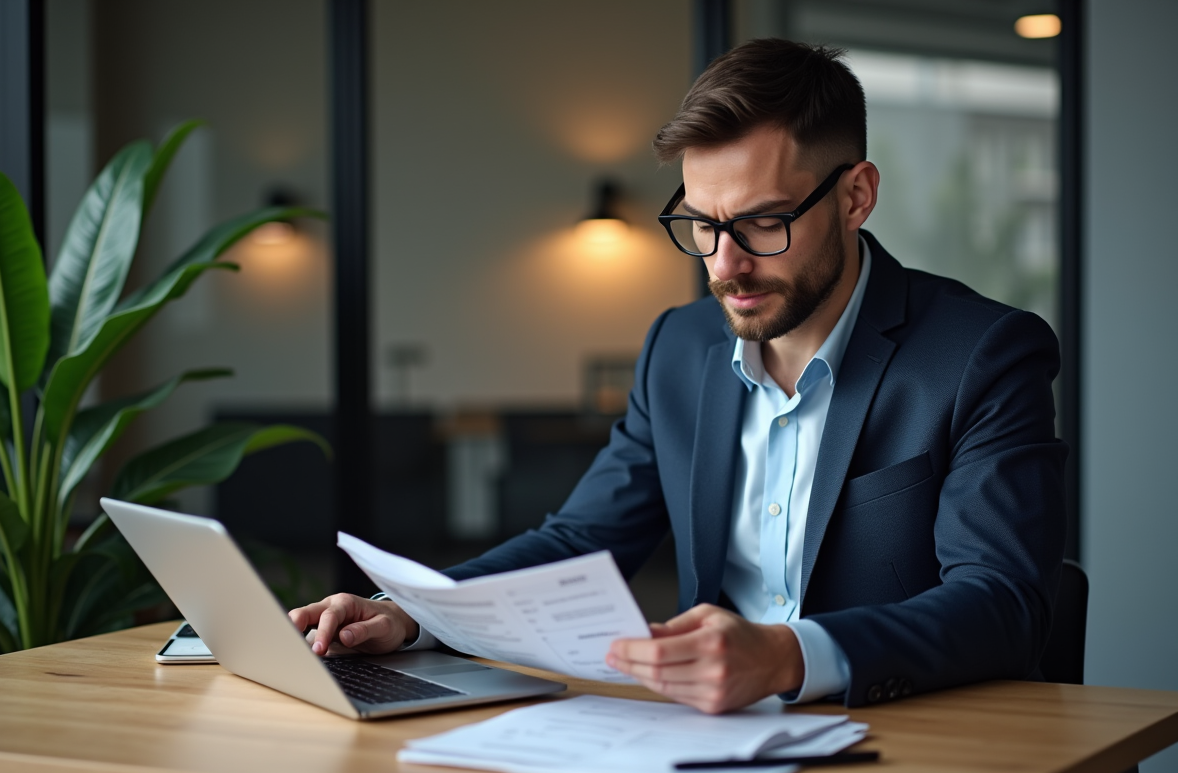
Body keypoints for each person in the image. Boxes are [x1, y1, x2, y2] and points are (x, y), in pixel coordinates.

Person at [289, 38, 1066, 713]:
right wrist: (414, 614)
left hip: (913, 742)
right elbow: (583, 540)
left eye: (765, 222)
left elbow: (1003, 604)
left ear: (856, 195)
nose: (725, 265)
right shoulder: (678, 348)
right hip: (710, 744)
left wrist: (791, 655)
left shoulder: (982, 354)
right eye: (701, 224)